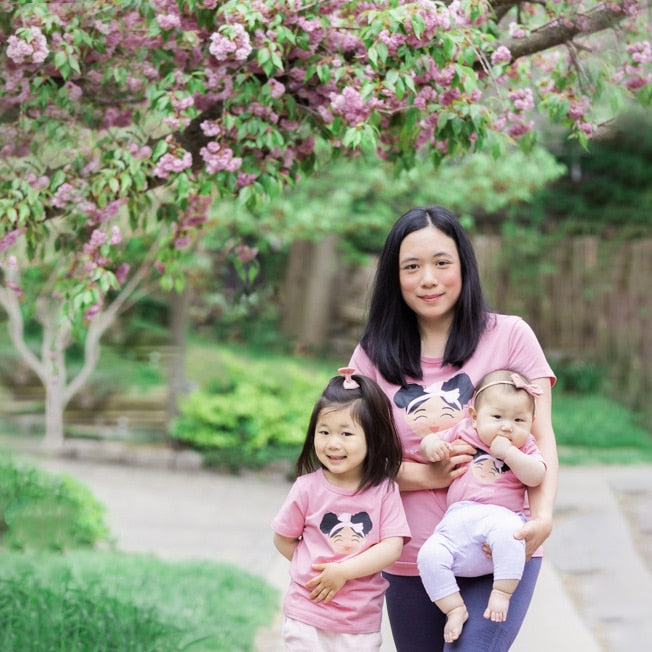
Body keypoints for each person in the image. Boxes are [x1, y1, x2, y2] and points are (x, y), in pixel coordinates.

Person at [348, 205, 558, 651]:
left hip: (500, 546)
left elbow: (542, 436)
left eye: (442, 263)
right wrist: (426, 475)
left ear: (464, 265)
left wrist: (541, 518)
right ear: (394, 276)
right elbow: (352, 457)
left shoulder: (511, 336)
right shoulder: (370, 356)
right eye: (412, 267)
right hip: (415, 556)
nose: (429, 279)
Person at [271, 367, 411, 652]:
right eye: (324, 432)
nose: (333, 443)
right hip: (307, 614)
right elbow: (283, 538)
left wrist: (344, 571)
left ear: (373, 437)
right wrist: (311, 566)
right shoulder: (306, 488)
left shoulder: (384, 491)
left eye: (346, 433)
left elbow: (391, 547)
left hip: (358, 623)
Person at [417, 369, 547, 643]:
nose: (507, 426)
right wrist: (431, 448)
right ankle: (454, 608)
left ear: (531, 423)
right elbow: (431, 440)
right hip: (457, 520)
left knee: (511, 533)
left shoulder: (525, 447)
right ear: (474, 417)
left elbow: (536, 475)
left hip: (500, 517)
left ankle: (501, 592)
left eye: (519, 420)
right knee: (429, 555)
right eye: (497, 417)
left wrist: (509, 453)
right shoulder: (464, 431)